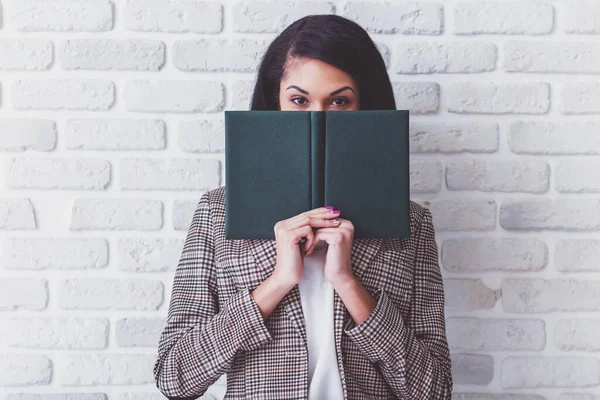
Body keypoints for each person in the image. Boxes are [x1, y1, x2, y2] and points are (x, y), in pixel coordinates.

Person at [154, 14, 453, 400]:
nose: (318, 118)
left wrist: (348, 282)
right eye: (299, 100)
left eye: (340, 101)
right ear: (274, 104)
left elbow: (435, 391)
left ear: (366, 108)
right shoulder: (218, 212)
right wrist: (278, 281)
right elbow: (174, 377)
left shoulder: (410, 222)